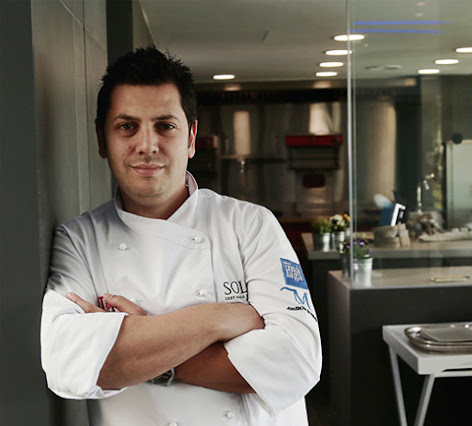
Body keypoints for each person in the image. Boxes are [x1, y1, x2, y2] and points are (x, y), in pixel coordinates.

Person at [40, 47, 321, 426]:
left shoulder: (251, 225)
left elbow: (297, 363)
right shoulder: (78, 240)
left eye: (165, 126)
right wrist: (217, 318)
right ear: (101, 139)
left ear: (190, 137)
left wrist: (141, 350)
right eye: (127, 126)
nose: (147, 145)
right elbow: (66, 363)